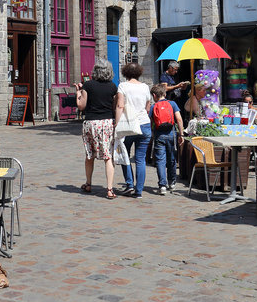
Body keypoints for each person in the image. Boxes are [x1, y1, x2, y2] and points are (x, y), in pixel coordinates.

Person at [77, 59, 122, 198]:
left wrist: (78, 92)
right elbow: (115, 106)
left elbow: (81, 106)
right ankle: (109, 189)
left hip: (91, 122)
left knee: (89, 155)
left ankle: (88, 183)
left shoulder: (88, 85)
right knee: (108, 156)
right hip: (107, 122)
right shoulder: (112, 87)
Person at [116, 62, 152, 198]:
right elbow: (148, 107)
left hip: (128, 125)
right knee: (140, 159)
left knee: (124, 154)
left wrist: (117, 123)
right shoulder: (145, 87)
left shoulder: (123, 86)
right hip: (144, 124)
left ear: (125, 73)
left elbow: (120, 106)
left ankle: (130, 184)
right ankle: (139, 191)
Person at [149, 83, 184, 196]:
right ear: (164, 93)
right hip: (171, 134)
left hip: (159, 135)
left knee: (160, 160)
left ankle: (162, 185)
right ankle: (172, 182)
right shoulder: (172, 104)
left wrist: (151, 135)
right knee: (171, 158)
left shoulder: (153, 107)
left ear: (154, 95)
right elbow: (179, 119)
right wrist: (181, 134)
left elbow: (151, 123)